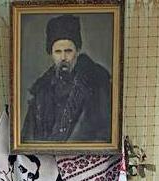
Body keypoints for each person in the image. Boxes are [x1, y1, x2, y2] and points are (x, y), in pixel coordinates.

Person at [21, 13, 112, 143]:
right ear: (51, 54)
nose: (63, 58)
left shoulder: (96, 84)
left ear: (78, 51)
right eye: (58, 52)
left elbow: (105, 133)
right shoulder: (42, 91)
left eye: (68, 51)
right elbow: (27, 138)